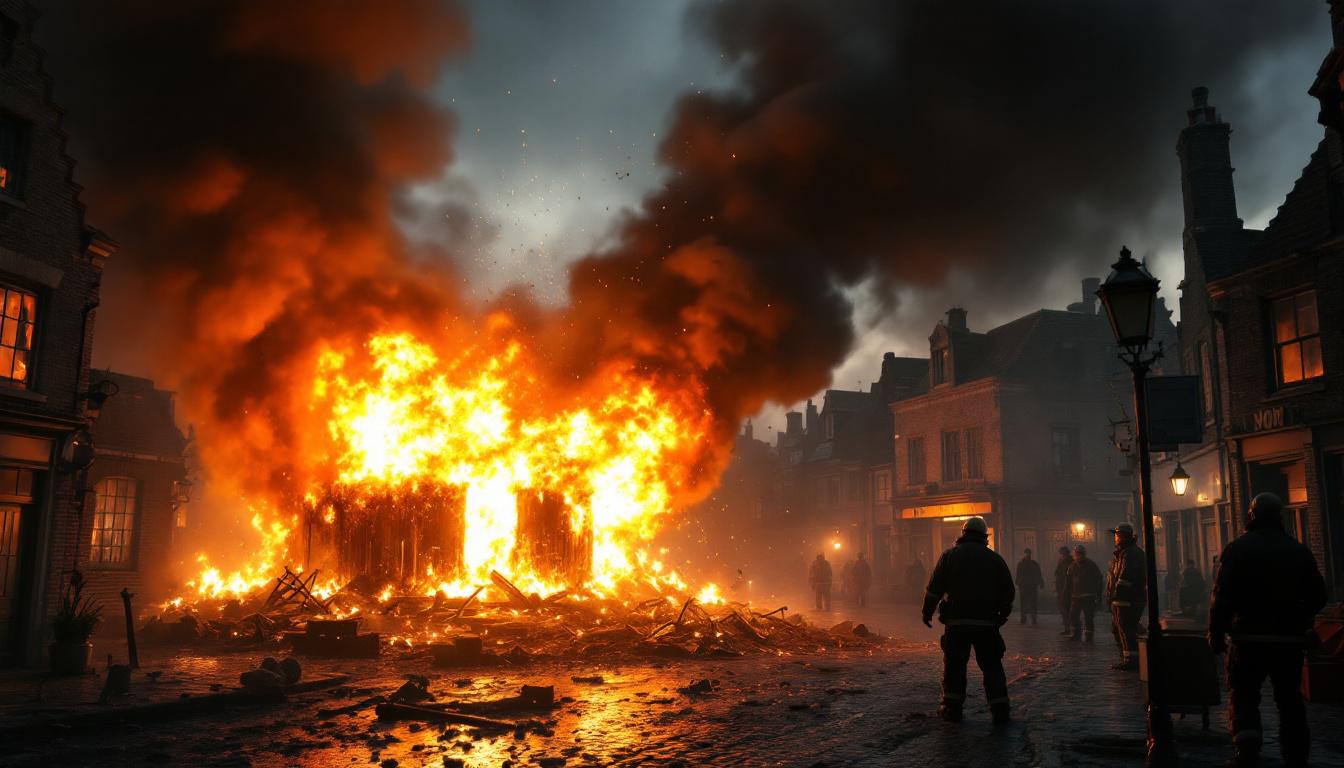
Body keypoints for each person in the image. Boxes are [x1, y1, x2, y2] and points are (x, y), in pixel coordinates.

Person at [1209, 493, 1327, 767]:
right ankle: (1296, 755)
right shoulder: (1298, 551)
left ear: (1251, 516)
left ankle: (1247, 752)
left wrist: (1216, 633)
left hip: (1247, 639)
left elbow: (1221, 596)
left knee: (1244, 697)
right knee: (1289, 701)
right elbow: (1319, 595)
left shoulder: (1237, 550)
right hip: (1288, 641)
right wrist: (1299, 617)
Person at [921, 516, 1015, 724]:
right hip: (987, 626)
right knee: (992, 666)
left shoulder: (949, 556)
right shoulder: (995, 559)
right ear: (984, 536)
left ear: (963, 534)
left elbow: (934, 589)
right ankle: (1000, 710)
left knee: (954, 666)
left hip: (957, 624)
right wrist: (1002, 614)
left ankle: (952, 709)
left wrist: (927, 612)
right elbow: (1008, 591)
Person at [1105, 522, 1147, 671]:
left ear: (1121, 536)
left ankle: (1132, 659)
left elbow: (1124, 578)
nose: (1115, 538)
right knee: (1119, 629)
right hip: (1124, 599)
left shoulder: (1130, 553)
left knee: (1125, 629)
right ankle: (1127, 657)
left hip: (1126, 600)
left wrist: (1117, 597)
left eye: (1116, 535)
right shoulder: (1124, 552)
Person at [1062, 544, 1103, 641]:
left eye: (1080, 554)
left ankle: (1089, 635)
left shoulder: (1091, 565)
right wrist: (1066, 593)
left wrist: (1098, 593)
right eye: (1077, 554)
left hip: (1088, 596)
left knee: (1088, 616)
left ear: (1084, 554)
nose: (1078, 556)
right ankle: (1076, 633)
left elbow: (1099, 579)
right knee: (1073, 616)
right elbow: (1068, 581)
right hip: (1075, 596)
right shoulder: (1072, 566)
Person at [1014, 548, 1044, 625]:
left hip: (1032, 586)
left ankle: (1033, 618)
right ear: (1024, 554)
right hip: (1024, 586)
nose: (1028, 555)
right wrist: (1018, 582)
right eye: (1026, 553)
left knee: (1033, 603)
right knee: (1024, 603)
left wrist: (1041, 582)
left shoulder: (1034, 564)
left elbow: (1038, 573)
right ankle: (1023, 617)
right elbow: (1018, 574)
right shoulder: (1021, 564)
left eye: (1029, 553)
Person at [1053, 546, 1072, 627]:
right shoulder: (1060, 562)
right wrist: (1056, 587)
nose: (1062, 556)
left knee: (1068, 607)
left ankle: (1069, 624)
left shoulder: (1072, 563)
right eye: (1061, 554)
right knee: (1062, 607)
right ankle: (1066, 624)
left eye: (1064, 554)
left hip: (1069, 589)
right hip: (1061, 588)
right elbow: (1057, 574)